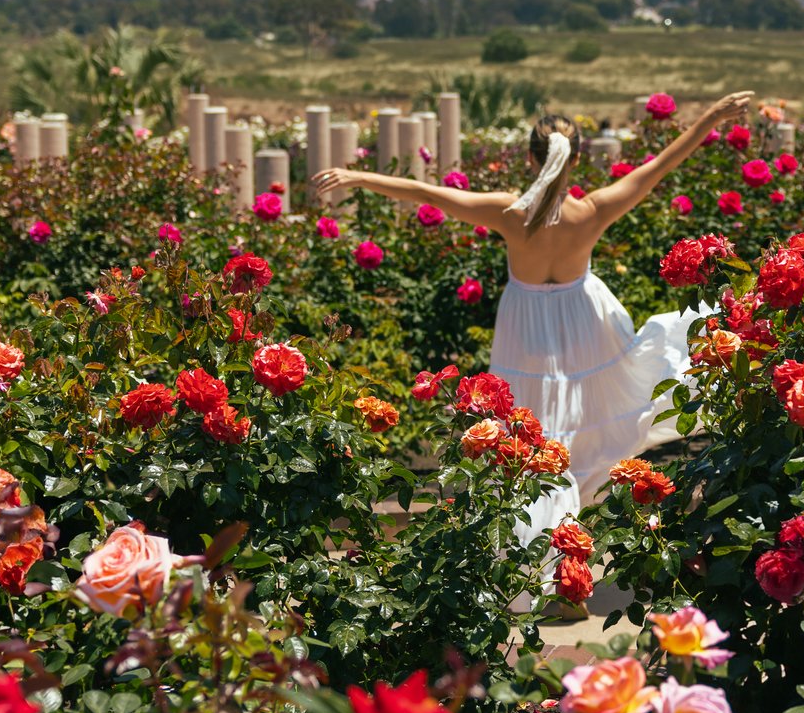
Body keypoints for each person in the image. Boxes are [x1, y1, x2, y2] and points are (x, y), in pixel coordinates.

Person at [312, 90, 754, 541]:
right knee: (581, 427)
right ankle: (568, 539)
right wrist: (711, 117)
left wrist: (357, 176)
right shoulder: (592, 210)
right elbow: (659, 166)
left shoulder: (509, 211)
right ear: (576, 159)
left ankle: (542, 544)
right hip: (584, 321)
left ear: (529, 157)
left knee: (526, 434)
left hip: (523, 328)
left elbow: (428, 192)